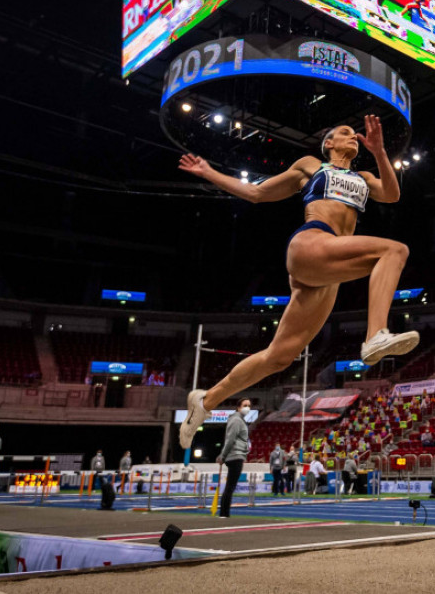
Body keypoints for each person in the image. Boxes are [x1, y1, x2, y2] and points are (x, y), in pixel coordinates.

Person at [178, 116, 419, 448]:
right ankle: (376, 335)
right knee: (395, 250)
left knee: (279, 357)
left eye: (354, 135)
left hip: (328, 270)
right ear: (328, 144)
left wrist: (379, 152)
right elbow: (258, 193)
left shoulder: (363, 176)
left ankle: (204, 402)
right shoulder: (311, 166)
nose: (353, 138)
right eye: (344, 133)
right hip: (311, 243)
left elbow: (391, 195)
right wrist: (208, 173)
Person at [217, 398, 252, 517]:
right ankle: (224, 513)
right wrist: (223, 455)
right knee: (230, 487)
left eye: (249, 405)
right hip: (234, 456)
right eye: (245, 405)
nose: (247, 407)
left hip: (238, 455)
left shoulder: (240, 420)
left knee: (230, 486)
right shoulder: (237, 420)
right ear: (238, 407)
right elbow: (230, 439)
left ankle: (224, 513)